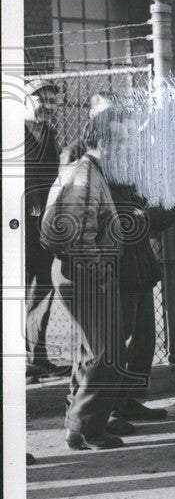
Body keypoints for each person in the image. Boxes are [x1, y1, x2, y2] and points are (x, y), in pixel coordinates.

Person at [41, 106, 132, 449]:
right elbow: (78, 232)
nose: (124, 149)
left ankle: (81, 424)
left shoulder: (86, 170)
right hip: (83, 271)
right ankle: (86, 427)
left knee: (95, 351)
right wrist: (98, 270)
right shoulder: (86, 174)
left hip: (78, 270)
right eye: (119, 141)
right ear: (101, 141)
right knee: (107, 354)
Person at [109, 181, 174, 424]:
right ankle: (107, 406)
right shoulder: (98, 177)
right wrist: (143, 215)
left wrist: (142, 215)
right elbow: (119, 222)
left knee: (144, 340)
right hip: (118, 271)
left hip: (140, 268)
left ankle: (128, 401)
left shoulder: (134, 180)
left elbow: (167, 213)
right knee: (116, 342)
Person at [24, 79, 68, 380]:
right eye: (42, 100)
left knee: (42, 292)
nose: (48, 107)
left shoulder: (50, 133)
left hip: (43, 228)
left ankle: (36, 359)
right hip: (18, 227)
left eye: (53, 101)